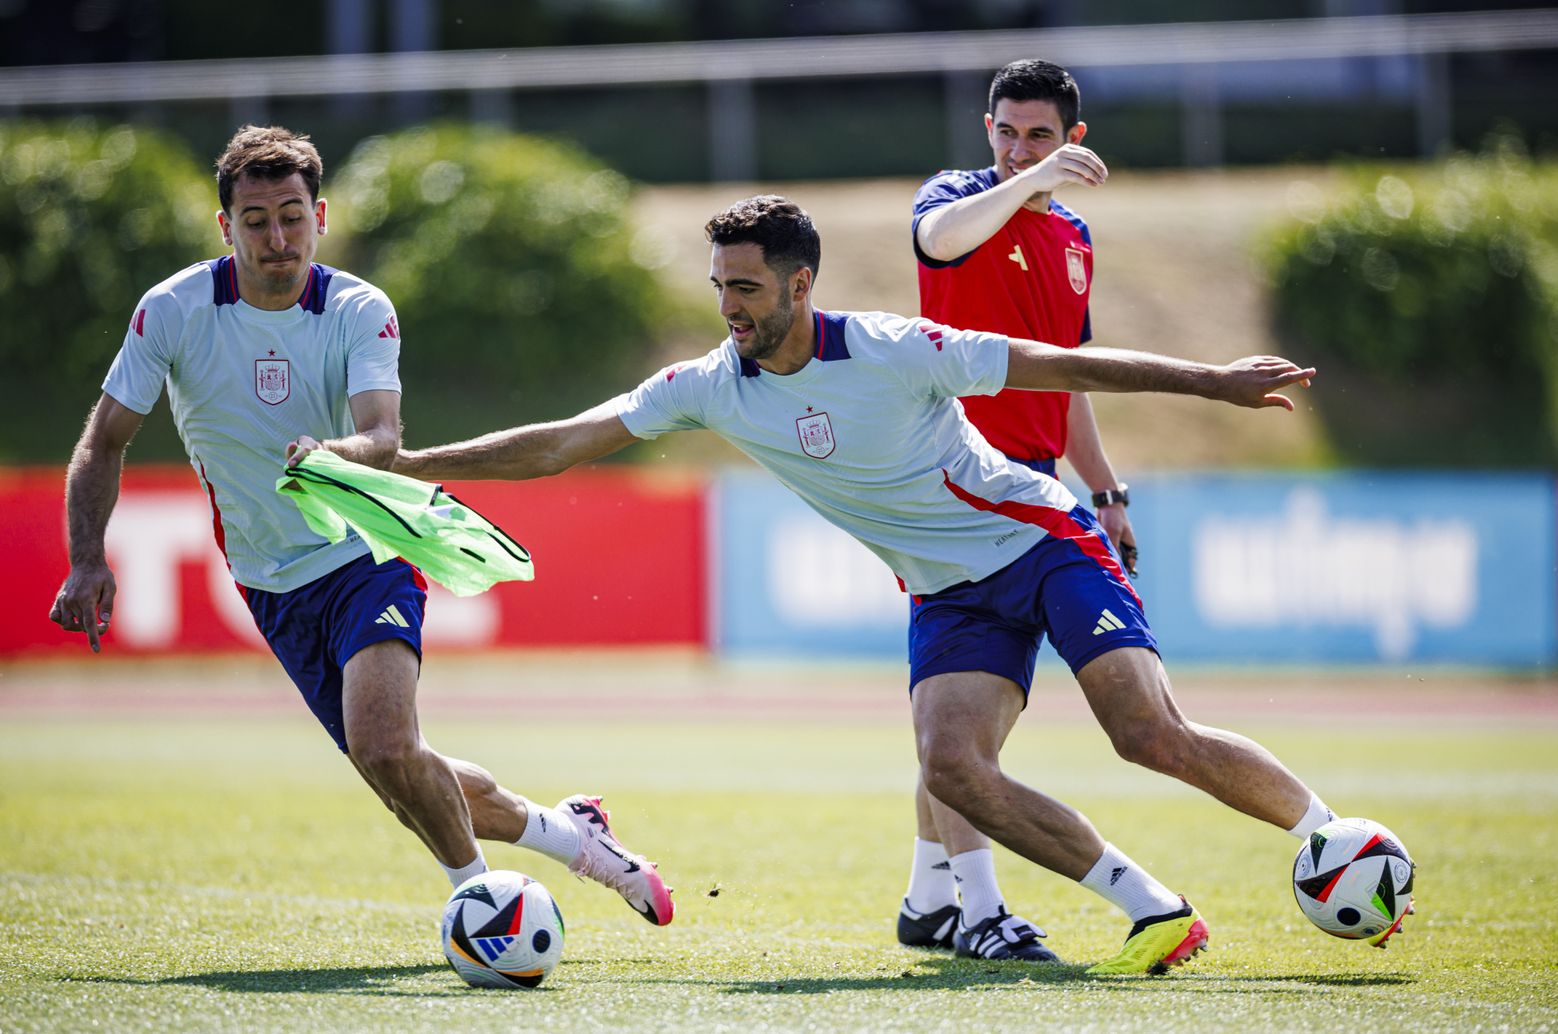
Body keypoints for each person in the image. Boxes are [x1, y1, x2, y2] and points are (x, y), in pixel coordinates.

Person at [383, 195, 1344, 975]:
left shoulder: (895, 347)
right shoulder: (710, 383)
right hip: (947, 593)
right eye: (722, 288)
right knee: (952, 768)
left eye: (749, 289)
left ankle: (1330, 836)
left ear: (802, 283)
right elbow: (560, 443)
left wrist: (1212, 382)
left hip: (1040, 541)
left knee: (1146, 735)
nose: (731, 309)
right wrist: (416, 465)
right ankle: (1155, 910)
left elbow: (1060, 364)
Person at [46, 125, 674, 928]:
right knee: (405, 769)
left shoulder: (356, 308)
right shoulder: (171, 311)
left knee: (383, 745)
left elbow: (383, 439)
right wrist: (85, 559)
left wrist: (333, 451)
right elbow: (105, 439)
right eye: (257, 220)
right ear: (224, 227)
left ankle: (482, 910)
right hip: (268, 580)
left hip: (365, 550)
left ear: (321, 216)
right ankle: (573, 835)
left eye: (293, 216)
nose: (278, 238)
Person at [897, 59, 1127, 961]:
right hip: (949, 477)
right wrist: (1027, 179)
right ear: (985, 126)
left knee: (965, 717)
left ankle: (928, 899)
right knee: (965, 715)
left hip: (1034, 484)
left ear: (1074, 138)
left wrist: (1103, 490)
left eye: (1038, 135)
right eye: (1004, 130)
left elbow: (1070, 382)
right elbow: (942, 244)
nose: (1015, 147)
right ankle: (982, 909)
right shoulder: (957, 194)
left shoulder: (1074, 239)